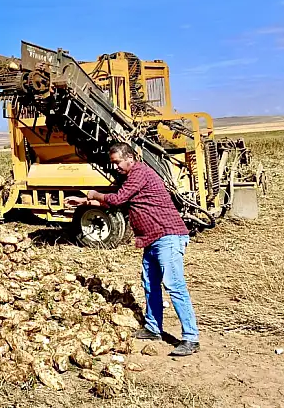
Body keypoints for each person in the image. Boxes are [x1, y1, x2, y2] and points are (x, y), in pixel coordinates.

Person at [65, 142, 200, 357]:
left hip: (168, 236)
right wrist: (84, 201)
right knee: (150, 283)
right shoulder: (131, 179)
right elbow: (116, 204)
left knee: (174, 285)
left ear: (130, 157)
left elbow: (117, 198)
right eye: (113, 164)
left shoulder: (140, 173)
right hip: (152, 238)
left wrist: (94, 194)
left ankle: (191, 338)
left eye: (117, 163)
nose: (116, 167)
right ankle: (153, 328)